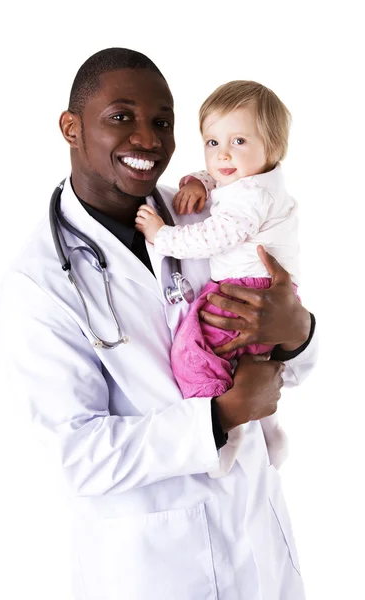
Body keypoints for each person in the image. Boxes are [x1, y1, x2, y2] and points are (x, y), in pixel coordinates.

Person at [0, 47, 317, 600]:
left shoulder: (207, 212)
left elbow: (287, 364)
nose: (148, 139)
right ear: (72, 128)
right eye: (121, 117)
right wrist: (221, 415)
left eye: (162, 122)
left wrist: (297, 333)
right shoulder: (38, 283)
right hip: (157, 569)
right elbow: (78, 456)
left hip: (261, 546)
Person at [135, 80, 300, 476]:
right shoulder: (256, 183)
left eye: (239, 141)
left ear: (273, 148)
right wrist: (199, 181)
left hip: (244, 294)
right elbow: (226, 176)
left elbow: (216, 235)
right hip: (267, 291)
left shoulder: (249, 199)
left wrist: (163, 236)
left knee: (193, 354)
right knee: (252, 364)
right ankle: (271, 430)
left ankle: (227, 428)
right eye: (212, 143)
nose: (223, 153)